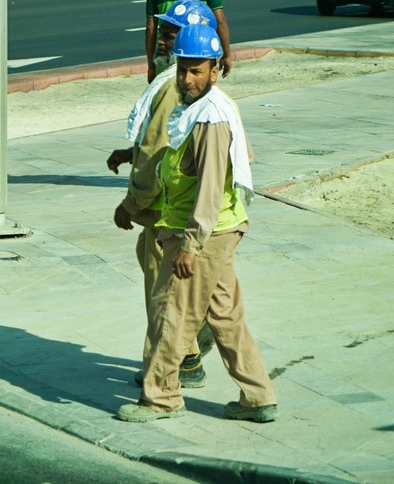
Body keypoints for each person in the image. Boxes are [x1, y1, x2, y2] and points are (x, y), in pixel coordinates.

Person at [116, 23, 277, 424]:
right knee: (225, 316)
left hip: (206, 233)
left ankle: (161, 397)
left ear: (216, 69)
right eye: (183, 68)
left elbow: (209, 187)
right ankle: (258, 397)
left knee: (172, 311)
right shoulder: (203, 108)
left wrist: (190, 243)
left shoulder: (210, 119)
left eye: (197, 70)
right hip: (220, 227)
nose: (188, 78)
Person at [109, 0, 217, 389]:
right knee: (172, 283)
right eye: (164, 30)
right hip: (175, 207)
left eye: (172, 32)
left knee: (162, 294)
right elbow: (158, 138)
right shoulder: (182, 82)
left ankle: (177, 365)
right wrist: (128, 152)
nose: (163, 38)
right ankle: (192, 340)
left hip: (163, 209)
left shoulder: (174, 86)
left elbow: (159, 153)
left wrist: (131, 203)